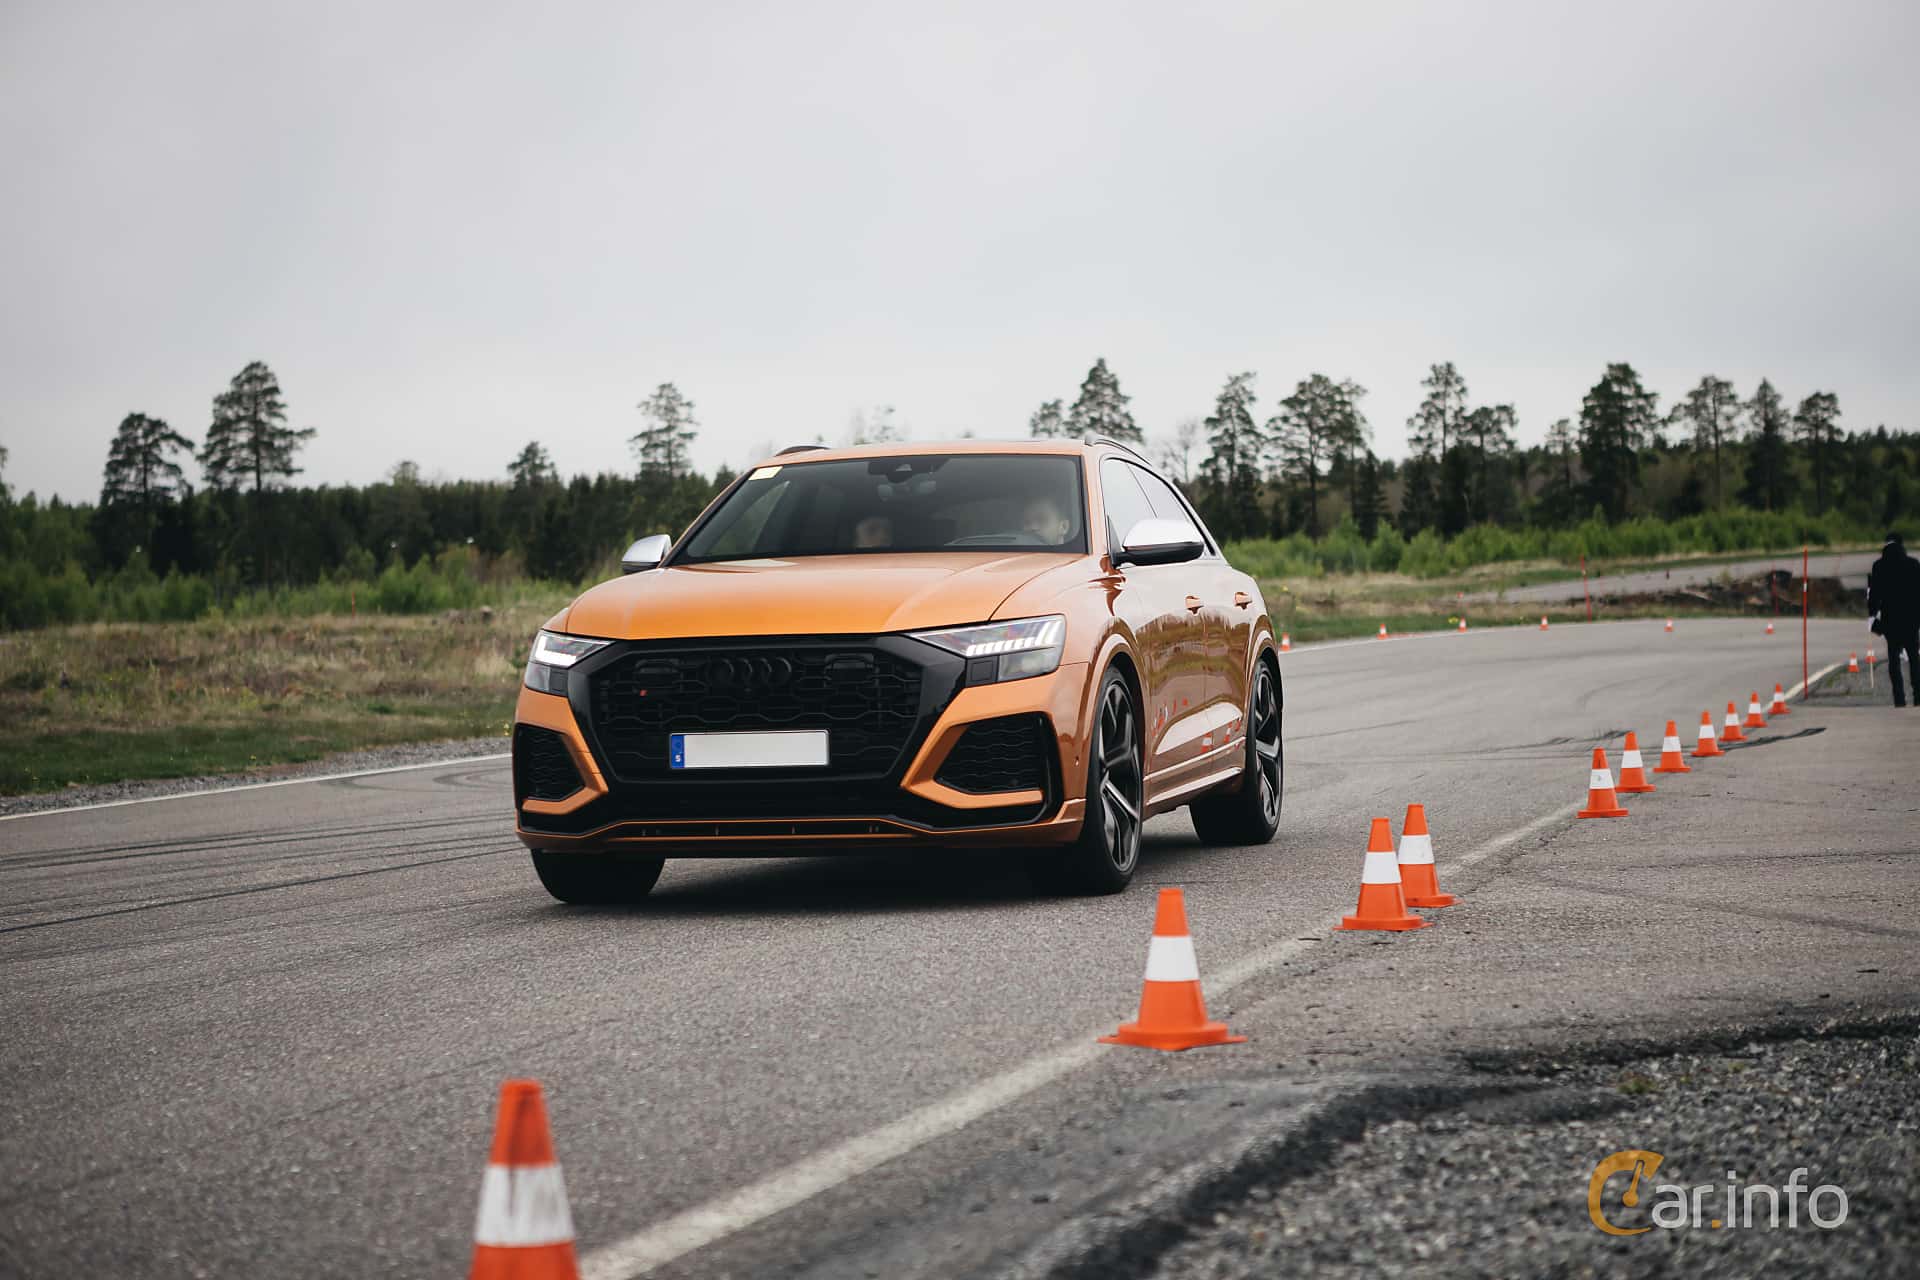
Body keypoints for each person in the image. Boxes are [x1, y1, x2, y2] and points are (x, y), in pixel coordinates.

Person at [1866, 531, 1920, 707]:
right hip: (1912, 618)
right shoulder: (1913, 564)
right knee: (1914, 658)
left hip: (1891, 618)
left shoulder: (1879, 566)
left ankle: (1899, 698)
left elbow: (1874, 594)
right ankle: (1918, 695)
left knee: (1894, 658)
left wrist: (1872, 614)